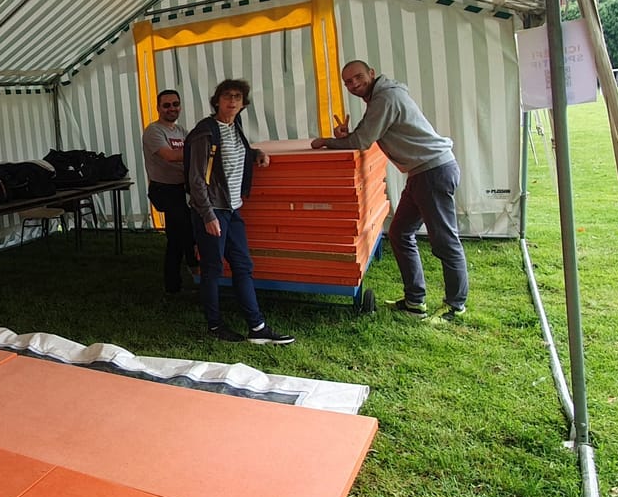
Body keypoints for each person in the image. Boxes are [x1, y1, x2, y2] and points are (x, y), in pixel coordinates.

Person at [311, 60, 468, 322]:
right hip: (421, 173)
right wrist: (345, 136)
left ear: (372, 74)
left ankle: (455, 306)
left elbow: (362, 140)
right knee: (399, 232)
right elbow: (365, 133)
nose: (353, 84)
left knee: (444, 241)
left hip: (432, 172)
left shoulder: (386, 98)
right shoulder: (380, 98)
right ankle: (415, 301)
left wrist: (327, 141)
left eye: (358, 77)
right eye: (347, 82)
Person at [186, 79, 295, 344]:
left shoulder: (235, 126)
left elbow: (237, 153)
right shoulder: (205, 133)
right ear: (217, 101)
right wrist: (208, 215)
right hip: (212, 211)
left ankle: (257, 328)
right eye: (227, 96)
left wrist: (255, 152)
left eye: (237, 97)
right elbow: (196, 180)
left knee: (243, 266)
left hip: (233, 209)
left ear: (243, 103)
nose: (232, 101)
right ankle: (215, 327)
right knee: (212, 269)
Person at [142, 89, 198, 294]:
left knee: (177, 237)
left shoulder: (181, 130)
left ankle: (174, 285)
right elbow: (170, 156)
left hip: (181, 188)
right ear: (158, 108)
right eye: (166, 105)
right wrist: (199, 152)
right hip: (164, 189)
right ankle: (194, 273)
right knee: (184, 233)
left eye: (175, 104)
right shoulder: (154, 131)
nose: (171, 108)